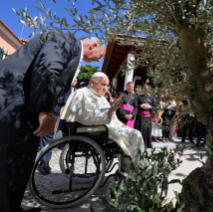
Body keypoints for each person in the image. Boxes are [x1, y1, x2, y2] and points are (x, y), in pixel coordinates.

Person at [0, 33, 106, 212]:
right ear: (93, 46)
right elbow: (46, 68)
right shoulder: (65, 41)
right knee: (10, 162)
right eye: (101, 55)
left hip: (24, 109)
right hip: (15, 104)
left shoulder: (70, 49)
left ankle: (12, 206)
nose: (99, 59)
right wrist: (46, 110)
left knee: (20, 162)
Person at [61, 72, 145, 167]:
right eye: (103, 85)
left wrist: (121, 125)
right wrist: (110, 110)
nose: (105, 88)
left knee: (134, 132)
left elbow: (113, 118)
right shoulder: (82, 93)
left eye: (107, 85)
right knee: (135, 135)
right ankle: (136, 170)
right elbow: (85, 116)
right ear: (92, 83)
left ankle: (128, 168)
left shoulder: (101, 97)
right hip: (92, 130)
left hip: (103, 128)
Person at [38, 78, 78, 175]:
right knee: (49, 135)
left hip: (68, 116)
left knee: (68, 136)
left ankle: (68, 159)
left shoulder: (75, 90)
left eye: (76, 79)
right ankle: (45, 162)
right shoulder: (65, 83)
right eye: (73, 78)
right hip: (57, 111)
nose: (75, 80)